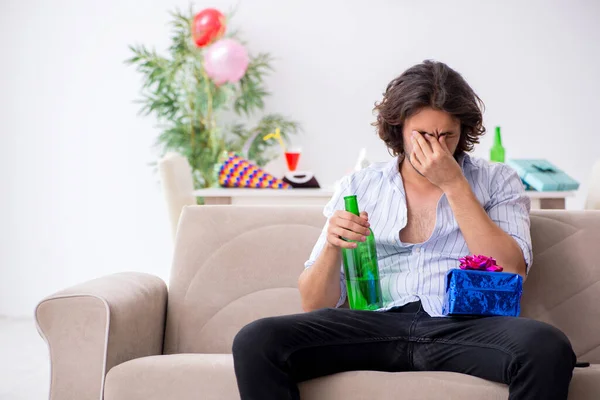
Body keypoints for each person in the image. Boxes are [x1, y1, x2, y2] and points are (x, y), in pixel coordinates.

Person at [232, 60, 576, 400]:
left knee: (547, 346)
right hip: (372, 325)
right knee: (256, 340)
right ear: (398, 129)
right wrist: (332, 248)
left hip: (461, 326)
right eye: (424, 135)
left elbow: (512, 271)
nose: (436, 148)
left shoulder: (497, 180)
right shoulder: (360, 185)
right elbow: (313, 302)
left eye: (447, 136)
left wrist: (454, 184)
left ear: (463, 132)